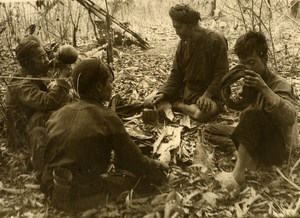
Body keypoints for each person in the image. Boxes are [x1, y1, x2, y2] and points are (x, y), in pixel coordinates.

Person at [41, 58, 168, 211]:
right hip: (79, 194)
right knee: (143, 181)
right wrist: (158, 167)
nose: (112, 86)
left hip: (51, 186)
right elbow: (135, 162)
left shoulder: (58, 114)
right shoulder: (107, 117)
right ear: (99, 87)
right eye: (109, 82)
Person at [221, 31, 299, 193]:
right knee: (211, 130)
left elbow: (291, 117)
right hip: (258, 138)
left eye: (252, 62)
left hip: (278, 148)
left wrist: (264, 88)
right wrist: (227, 96)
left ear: (265, 59)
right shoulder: (250, 82)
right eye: (244, 65)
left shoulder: (281, 84)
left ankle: (238, 174)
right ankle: (247, 156)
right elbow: (243, 109)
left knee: (250, 115)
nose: (248, 69)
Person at [152, 4, 229, 122]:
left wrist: (207, 95)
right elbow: (175, 75)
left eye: (179, 28)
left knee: (200, 114)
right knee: (150, 100)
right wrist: (164, 93)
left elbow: (221, 74)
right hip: (187, 91)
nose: (177, 32)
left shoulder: (215, 40)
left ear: (191, 25)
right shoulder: (183, 43)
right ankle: (176, 103)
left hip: (211, 94)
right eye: (175, 28)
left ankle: (175, 105)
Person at [5, 36, 71, 149]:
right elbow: (49, 102)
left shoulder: (31, 75)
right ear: (27, 62)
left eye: (45, 56)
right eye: (41, 58)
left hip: (33, 126)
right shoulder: (21, 84)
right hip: (24, 137)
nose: (46, 61)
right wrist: (61, 79)